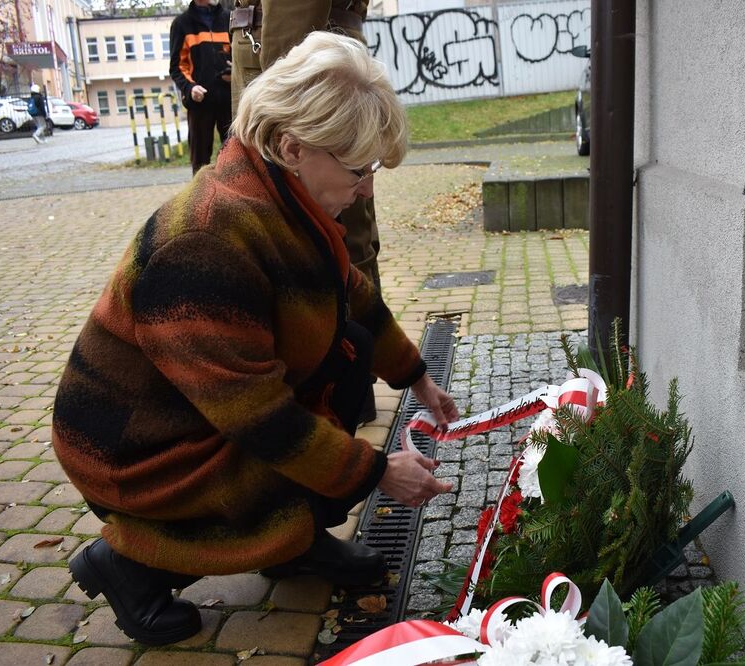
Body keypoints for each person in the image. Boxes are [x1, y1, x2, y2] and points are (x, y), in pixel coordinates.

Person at [54, 32, 458, 646]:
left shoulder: (281, 197)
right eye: (360, 170)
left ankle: (291, 547)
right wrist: (375, 471)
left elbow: (351, 294)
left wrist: (416, 377)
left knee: (345, 354)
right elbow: (261, 419)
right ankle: (130, 565)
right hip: (135, 451)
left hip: (195, 413)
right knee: (295, 464)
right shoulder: (207, 243)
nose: (369, 187)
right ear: (294, 146)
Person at [229, 0, 382, 421]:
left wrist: (285, 97)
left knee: (317, 234)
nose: (369, 185)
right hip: (300, 51)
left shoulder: (292, 129)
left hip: (294, 57)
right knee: (321, 235)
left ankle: (333, 390)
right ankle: (339, 387)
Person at [170, 0, 233, 174]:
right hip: (200, 102)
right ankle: (200, 198)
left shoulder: (229, 18)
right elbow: (177, 67)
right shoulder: (182, 24)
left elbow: (240, 56)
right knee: (200, 161)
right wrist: (190, 88)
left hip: (229, 101)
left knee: (234, 157)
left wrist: (235, 72)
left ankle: (232, 198)